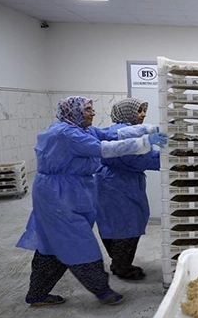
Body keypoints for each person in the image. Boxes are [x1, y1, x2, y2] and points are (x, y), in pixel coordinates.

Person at [16, 96, 167, 307]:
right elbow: (104, 149)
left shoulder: (80, 129)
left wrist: (150, 129)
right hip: (57, 195)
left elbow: (112, 134)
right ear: (74, 112)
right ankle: (102, 290)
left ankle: (37, 294)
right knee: (80, 242)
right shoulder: (66, 134)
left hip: (69, 191)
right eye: (88, 109)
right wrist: (145, 142)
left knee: (52, 244)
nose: (93, 113)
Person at [95, 98, 160, 280]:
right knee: (128, 225)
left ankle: (118, 262)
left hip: (110, 181)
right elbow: (137, 159)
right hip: (120, 185)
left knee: (112, 224)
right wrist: (170, 159)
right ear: (127, 112)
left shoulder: (117, 130)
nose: (143, 114)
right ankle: (122, 266)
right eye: (139, 110)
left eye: (143, 110)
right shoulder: (124, 133)